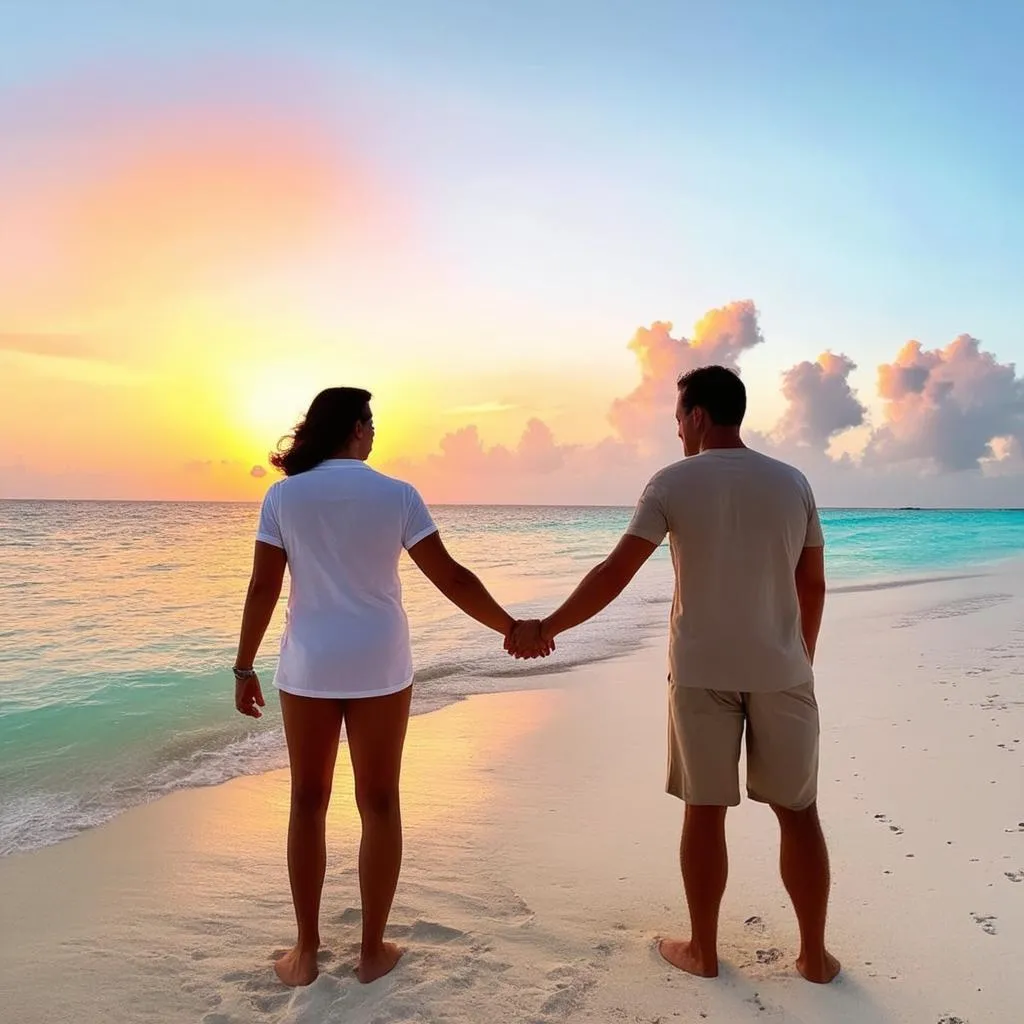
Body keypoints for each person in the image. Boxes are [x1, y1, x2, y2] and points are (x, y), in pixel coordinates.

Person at [507, 365, 837, 984]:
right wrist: (799, 659)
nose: (677, 433)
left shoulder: (672, 483)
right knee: (799, 812)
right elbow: (812, 582)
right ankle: (815, 959)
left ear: (699, 417)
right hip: (782, 670)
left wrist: (547, 626)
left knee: (704, 809)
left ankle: (705, 953)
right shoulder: (793, 483)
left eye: (678, 420)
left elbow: (614, 573)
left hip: (699, 672)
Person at [232, 387, 549, 988]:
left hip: (310, 667)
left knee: (307, 802)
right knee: (379, 805)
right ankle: (373, 951)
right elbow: (449, 575)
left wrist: (244, 666)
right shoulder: (397, 495)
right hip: (379, 663)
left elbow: (262, 589)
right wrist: (509, 626)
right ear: (355, 428)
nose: (374, 435)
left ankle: (305, 951)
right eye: (371, 424)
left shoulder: (283, 497)